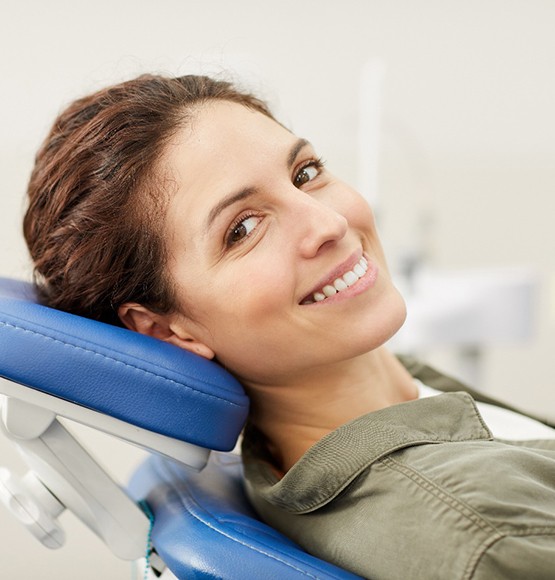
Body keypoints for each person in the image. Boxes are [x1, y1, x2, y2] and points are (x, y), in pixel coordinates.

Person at [23, 74, 555, 579]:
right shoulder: (491, 537)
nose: (330, 223)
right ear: (167, 331)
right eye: (244, 229)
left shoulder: (387, 404)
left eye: (305, 173)